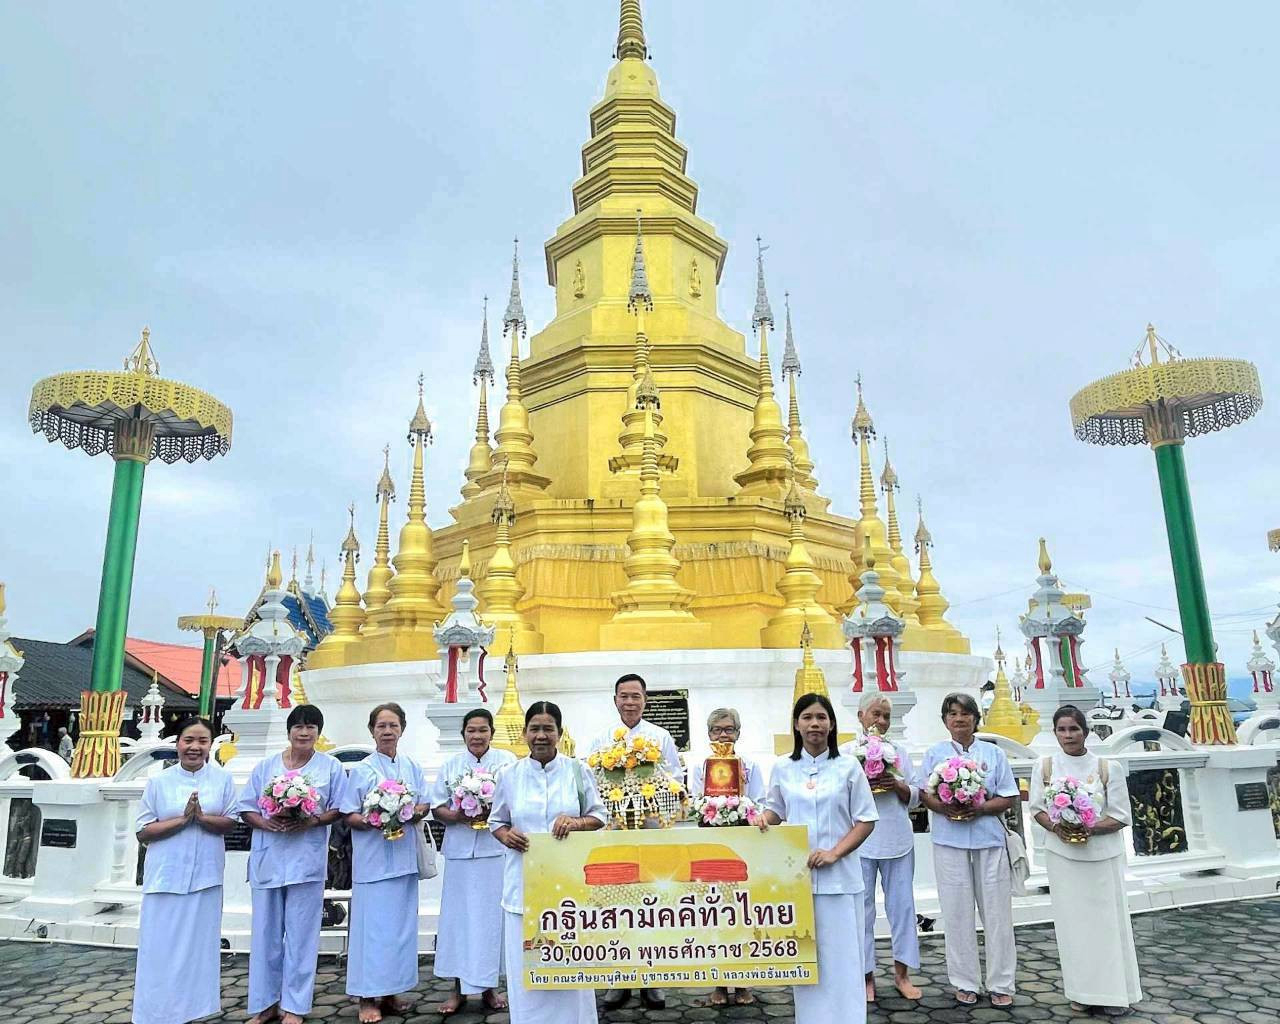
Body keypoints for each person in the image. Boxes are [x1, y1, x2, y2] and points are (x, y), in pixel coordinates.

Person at [763, 693, 878, 1024]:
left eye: (821, 717)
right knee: (808, 960)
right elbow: (776, 810)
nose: (815, 724)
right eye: (807, 718)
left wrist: (834, 853)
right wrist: (760, 819)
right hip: (798, 882)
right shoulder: (784, 767)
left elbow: (866, 819)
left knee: (843, 960)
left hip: (841, 881)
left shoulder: (848, 767)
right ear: (797, 725)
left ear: (831, 724)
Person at [490, 701, 607, 1024]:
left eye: (548, 729)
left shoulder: (576, 770)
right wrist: (506, 835)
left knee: (568, 961)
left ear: (559, 733)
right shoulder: (509, 775)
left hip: (568, 887)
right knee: (526, 962)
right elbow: (495, 821)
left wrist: (575, 823)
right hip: (523, 886)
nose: (541, 736)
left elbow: (599, 815)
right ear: (525, 733)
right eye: (535, 729)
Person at [238, 703, 349, 1024]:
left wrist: (312, 821)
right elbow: (246, 808)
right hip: (269, 857)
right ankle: (264, 1003)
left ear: (318, 732)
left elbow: (338, 808)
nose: (304, 732)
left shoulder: (330, 768)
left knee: (302, 936)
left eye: (311, 726)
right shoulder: (266, 767)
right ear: (289, 731)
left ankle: (295, 1006)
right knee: (265, 936)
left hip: (306, 860)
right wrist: (266, 822)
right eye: (298, 726)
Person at [1030, 705, 1141, 1015]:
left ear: (1085, 731)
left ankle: (1116, 994)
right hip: (1063, 857)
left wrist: (1087, 827)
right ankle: (1082, 992)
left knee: (1108, 926)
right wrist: (1057, 827)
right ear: (1055, 733)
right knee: (1073, 928)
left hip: (1101, 858)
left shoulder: (1107, 768)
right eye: (1062, 730)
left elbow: (1120, 816)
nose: (1068, 735)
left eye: (1074, 729)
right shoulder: (1045, 766)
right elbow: (1037, 808)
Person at [132, 716, 239, 1024]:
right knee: (160, 949)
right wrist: (181, 821)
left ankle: (194, 1010)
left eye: (202, 741)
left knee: (198, 950)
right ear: (177, 743)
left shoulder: (222, 780)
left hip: (205, 876)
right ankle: (155, 1013)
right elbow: (142, 831)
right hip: (165, 877)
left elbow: (231, 820)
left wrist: (203, 819)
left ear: (211, 745)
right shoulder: (159, 782)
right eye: (188, 740)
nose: (194, 747)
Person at [587, 672, 681, 1011]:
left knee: (653, 905)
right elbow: (591, 783)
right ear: (615, 700)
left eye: (636, 696)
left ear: (645, 700)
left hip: (651, 831)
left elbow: (676, 778)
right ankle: (618, 979)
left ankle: (653, 980)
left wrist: (650, 795)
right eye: (623, 696)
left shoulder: (661, 736)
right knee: (615, 906)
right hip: (613, 836)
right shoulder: (601, 739)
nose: (629, 702)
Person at [919, 692, 1019, 1007]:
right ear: (945, 720)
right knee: (956, 912)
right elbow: (925, 795)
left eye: (965, 713)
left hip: (989, 840)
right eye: (952, 714)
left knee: (998, 914)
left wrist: (980, 808)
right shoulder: (935, 753)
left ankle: (1002, 982)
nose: (959, 719)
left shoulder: (993, 754)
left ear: (976, 718)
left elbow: (1008, 796)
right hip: (950, 841)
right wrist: (947, 809)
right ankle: (965, 981)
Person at [341, 703, 430, 1023]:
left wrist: (411, 811)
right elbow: (348, 813)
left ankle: (392, 991)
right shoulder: (363, 770)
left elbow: (425, 802)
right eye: (382, 726)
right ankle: (367, 997)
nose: (388, 731)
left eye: (393, 725)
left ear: (402, 729)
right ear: (372, 731)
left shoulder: (411, 767)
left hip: (403, 859)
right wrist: (375, 817)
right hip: (373, 862)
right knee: (372, 931)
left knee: (399, 930)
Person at [432, 707, 517, 1016]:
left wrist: (491, 812)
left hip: (494, 852)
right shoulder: (452, 765)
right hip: (460, 852)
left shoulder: (506, 762)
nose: (477, 736)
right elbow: (437, 807)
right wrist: (458, 815)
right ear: (463, 734)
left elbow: (515, 803)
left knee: (490, 922)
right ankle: (457, 990)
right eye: (471, 730)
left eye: (483, 730)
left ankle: (490, 988)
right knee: (458, 921)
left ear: (491, 733)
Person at [844, 693, 922, 1002]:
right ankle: (866, 977)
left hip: (896, 835)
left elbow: (917, 793)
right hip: (860, 839)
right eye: (876, 714)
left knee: (902, 908)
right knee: (861, 910)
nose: (881, 721)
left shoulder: (899, 751)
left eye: (886, 716)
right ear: (861, 715)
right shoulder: (848, 753)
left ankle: (902, 974)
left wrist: (897, 785)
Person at [688, 706, 765, 1008]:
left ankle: (744, 981)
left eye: (728, 729)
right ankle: (719, 981)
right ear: (708, 734)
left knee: (743, 914)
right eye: (717, 730)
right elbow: (695, 805)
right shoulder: (700, 766)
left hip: (744, 845)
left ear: (738, 733)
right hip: (712, 847)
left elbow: (759, 804)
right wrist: (714, 811)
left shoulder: (750, 765)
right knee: (715, 914)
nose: (723, 735)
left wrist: (741, 804)